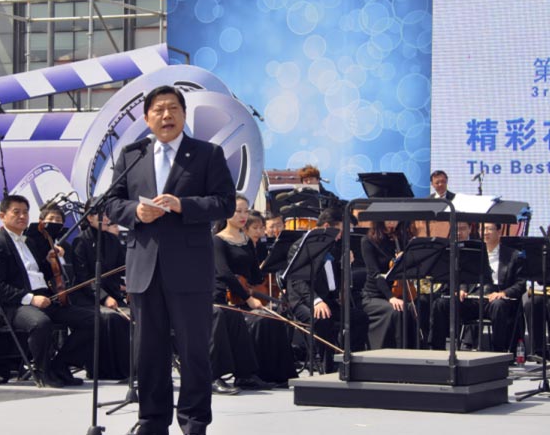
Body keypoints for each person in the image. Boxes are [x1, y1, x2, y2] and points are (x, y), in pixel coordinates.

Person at [105, 85, 236, 435]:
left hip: (190, 269)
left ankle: (194, 422)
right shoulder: (132, 155)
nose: (167, 115)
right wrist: (135, 211)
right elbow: (111, 203)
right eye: (159, 109)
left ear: (183, 114)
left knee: (194, 351)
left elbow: (225, 203)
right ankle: (152, 421)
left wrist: (184, 205)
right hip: (144, 268)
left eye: (174, 108)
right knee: (149, 351)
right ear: (147, 118)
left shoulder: (207, 153)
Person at [0, 195, 95, 387]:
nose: (22, 216)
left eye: (25, 212)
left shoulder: (30, 242)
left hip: (45, 298)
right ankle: (43, 371)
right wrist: (31, 299)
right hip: (16, 305)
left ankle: (60, 366)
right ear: (2, 215)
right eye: (16, 212)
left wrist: (51, 261)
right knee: (40, 323)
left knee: (93, 320)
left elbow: (36, 272)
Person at [212, 194, 294, 391]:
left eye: (245, 211)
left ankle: (270, 374)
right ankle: (231, 374)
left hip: (241, 295)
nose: (242, 215)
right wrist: (249, 298)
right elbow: (224, 273)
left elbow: (255, 276)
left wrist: (275, 262)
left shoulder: (246, 240)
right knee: (251, 319)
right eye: (237, 211)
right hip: (221, 296)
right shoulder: (217, 240)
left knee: (273, 319)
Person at [286, 207, 368, 373]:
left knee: (359, 317)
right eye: (339, 230)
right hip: (304, 299)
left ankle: (351, 361)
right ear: (326, 226)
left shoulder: (334, 246)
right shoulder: (301, 246)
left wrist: (346, 265)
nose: (341, 235)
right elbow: (298, 281)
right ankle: (327, 366)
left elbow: (335, 278)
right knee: (323, 318)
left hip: (329, 299)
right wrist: (316, 301)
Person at [431, 223, 524, 352]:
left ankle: (499, 352)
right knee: (440, 304)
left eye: (489, 229)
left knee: (498, 306)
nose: (485, 232)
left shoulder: (512, 255)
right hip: (472, 298)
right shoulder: (473, 252)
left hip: (494, 299)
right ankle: (437, 349)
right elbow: (463, 275)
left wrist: (503, 293)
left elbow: (521, 284)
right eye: (482, 229)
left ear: (499, 231)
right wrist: (461, 289)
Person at [71, 200, 130, 380]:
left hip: (112, 295)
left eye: (107, 214)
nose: (105, 218)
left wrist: (130, 289)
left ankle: (130, 368)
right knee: (110, 317)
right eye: (100, 214)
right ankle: (105, 370)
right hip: (88, 297)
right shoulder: (81, 241)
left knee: (134, 314)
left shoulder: (113, 240)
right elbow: (83, 278)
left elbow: (124, 268)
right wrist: (104, 297)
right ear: (89, 217)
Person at [360, 220, 418, 349]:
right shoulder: (368, 241)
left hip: (400, 291)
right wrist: (390, 297)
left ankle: (415, 351)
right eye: (388, 219)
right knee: (396, 311)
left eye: (395, 220)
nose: (392, 223)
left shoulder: (402, 240)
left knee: (417, 306)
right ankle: (395, 351)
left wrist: (406, 260)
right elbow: (375, 274)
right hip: (375, 295)